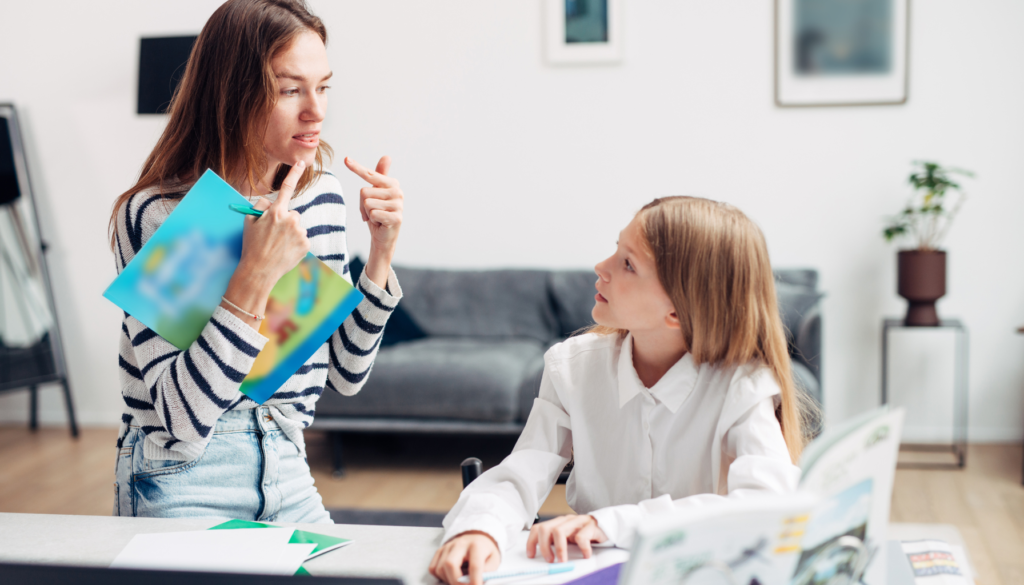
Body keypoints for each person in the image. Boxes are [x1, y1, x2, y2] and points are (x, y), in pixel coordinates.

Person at [107, 0, 404, 523]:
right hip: (182, 475)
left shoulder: (320, 199)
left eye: (324, 86)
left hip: (288, 464)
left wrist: (380, 253)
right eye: (290, 90)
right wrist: (254, 273)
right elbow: (184, 417)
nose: (316, 110)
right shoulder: (161, 214)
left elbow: (346, 374)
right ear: (232, 93)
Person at [429, 196, 816, 585]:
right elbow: (520, 473)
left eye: (628, 264)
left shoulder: (742, 386)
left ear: (678, 311)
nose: (601, 268)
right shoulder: (573, 366)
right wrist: (478, 529)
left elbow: (768, 509)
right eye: (616, 251)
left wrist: (611, 523)